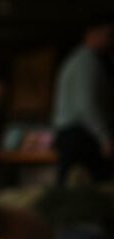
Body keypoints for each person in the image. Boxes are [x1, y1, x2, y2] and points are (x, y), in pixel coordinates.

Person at [53, 22, 114, 184]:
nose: (111, 40)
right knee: (89, 188)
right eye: (108, 35)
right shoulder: (86, 62)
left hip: (76, 133)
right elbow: (87, 104)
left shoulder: (83, 60)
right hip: (79, 135)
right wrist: (104, 136)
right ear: (92, 34)